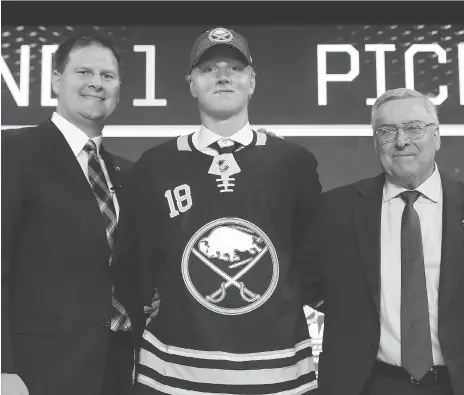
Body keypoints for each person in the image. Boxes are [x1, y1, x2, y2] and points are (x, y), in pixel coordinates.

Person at [114, 26, 322, 394]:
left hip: (277, 371)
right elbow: (133, 262)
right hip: (173, 373)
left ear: (252, 81)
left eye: (234, 68)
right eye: (209, 69)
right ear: (191, 83)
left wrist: (276, 302)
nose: (223, 76)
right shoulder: (155, 165)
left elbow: (313, 259)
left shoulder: (294, 163)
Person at [1, 34, 143, 395]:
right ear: (55, 80)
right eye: (84, 71)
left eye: (108, 76)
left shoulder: (128, 173)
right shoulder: (12, 151)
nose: (97, 83)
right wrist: (3, 368)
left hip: (120, 367)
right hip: (37, 370)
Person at [301, 88, 464, 395]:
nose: (401, 141)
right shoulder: (336, 209)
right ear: (376, 140)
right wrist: (352, 311)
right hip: (369, 383)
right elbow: (305, 281)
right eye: (387, 131)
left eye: (414, 128)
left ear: (437, 136)